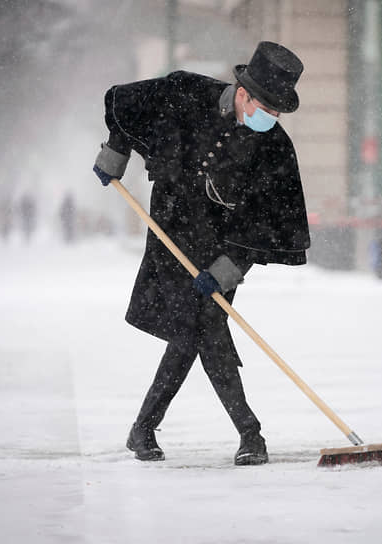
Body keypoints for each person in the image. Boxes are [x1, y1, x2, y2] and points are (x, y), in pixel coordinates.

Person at [92, 42, 310, 465]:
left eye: (279, 114)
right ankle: (248, 433)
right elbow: (130, 107)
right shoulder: (185, 94)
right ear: (244, 93)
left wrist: (230, 266)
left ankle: (146, 430)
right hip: (171, 229)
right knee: (199, 330)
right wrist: (115, 151)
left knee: (198, 329)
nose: (272, 120)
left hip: (220, 248)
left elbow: (266, 220)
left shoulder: (273, 147)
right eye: (268, 108)